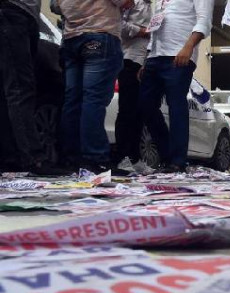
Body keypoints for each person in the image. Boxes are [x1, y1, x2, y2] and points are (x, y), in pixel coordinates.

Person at [56, 0, 132, 172]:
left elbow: (55, 5)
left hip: (71, 37)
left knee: (72, 101)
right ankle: (94, 157)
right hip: (99, 31)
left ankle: (70, 157)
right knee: (93, 99)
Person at [138, 0, 212, 173]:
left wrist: (188, 47)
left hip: (179, 54)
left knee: (176, 106)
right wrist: (146, 58)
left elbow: (204, 20)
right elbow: (156, 26)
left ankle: (177, 162)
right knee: (145, 105)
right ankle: (167, 154)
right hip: (155, 56)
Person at [0, 0, 65, 175]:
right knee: (20, 89)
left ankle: (11, 157)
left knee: (9, 92)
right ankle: (34, 158)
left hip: (19, 14)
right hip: (14, 12)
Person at [114, 0, 152, 170]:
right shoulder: (130, 2)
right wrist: (141, 31)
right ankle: (121, 156)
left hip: (144, 62)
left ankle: (135, 158)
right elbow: (119, 24)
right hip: (128, 58)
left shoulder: (154, 6)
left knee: (139, 112)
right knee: (126, 110)